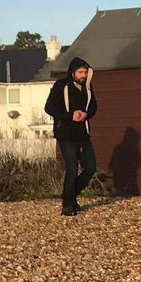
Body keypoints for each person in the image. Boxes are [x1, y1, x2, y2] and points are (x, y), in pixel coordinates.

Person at [44, 57, 98, 216]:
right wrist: (70, 115)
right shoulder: (61, 86)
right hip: (66, 133)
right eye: (80, 72)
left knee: (90, 167)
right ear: (73, 72)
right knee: (72, 167)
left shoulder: (87, 88)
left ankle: (69, 196)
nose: (83, 75)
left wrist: (86, 114)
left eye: (85, 72)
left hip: (83, 133)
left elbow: (94, 106)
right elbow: (49, 108)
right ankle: (68, 206)